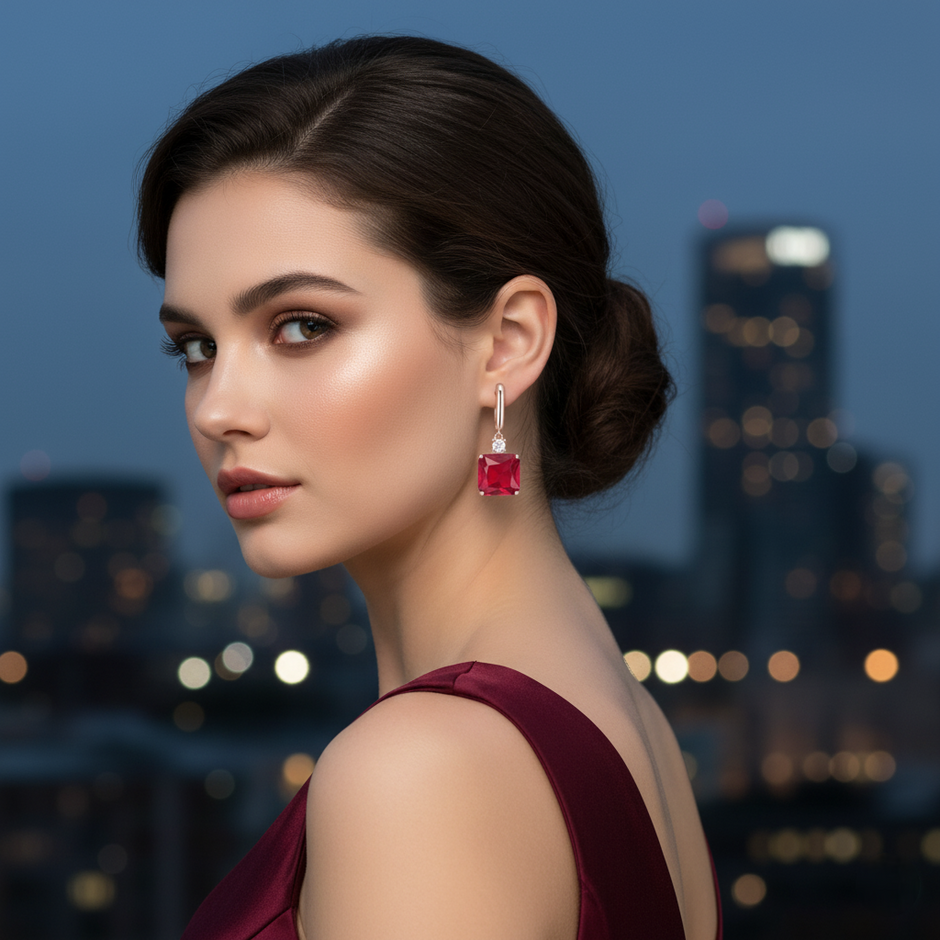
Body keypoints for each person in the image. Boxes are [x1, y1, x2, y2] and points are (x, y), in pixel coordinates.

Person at [139, 35, 721, 940]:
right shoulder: (617, 711)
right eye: (197, 346)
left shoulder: (425, 770)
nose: (219, 408)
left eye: (301, 326)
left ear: (508, 341)